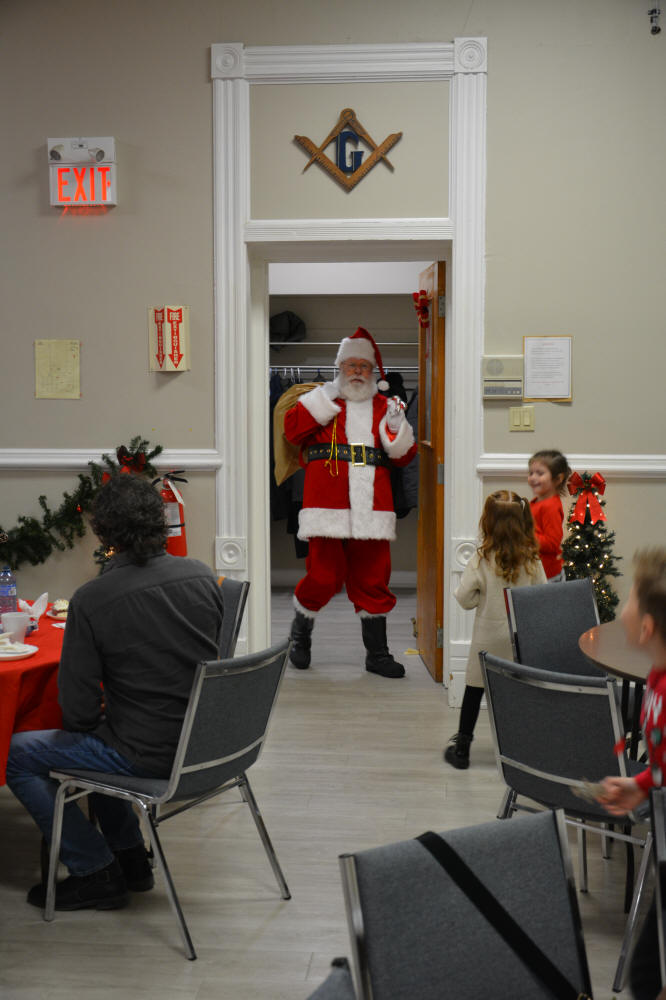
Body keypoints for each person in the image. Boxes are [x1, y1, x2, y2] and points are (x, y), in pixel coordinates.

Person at [6, 475, 224, 911]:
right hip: (208, 745)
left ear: (103, 533)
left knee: (18, 755)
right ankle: (130, 858)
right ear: (159, 521)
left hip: (150, 755)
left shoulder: (93, 598)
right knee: (105, 733)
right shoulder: (202, 575)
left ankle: (93, 869)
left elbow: (78, 711)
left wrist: (101, 715)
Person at [283, 327, 417, 679]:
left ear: (373, 371)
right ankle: (300, 635)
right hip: (326, 503)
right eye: (351, 365)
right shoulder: (320, 401)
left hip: (373, 504)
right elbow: (292, 431)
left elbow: (403, 456)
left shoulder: (385, 406)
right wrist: (324, 398)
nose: (357, 371)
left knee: (373, 577)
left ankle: (378, 654)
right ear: (339, 368)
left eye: (363, 366)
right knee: (324, 575)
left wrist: (396, 425)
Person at [596, 548, 666, 1000]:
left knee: (649, 974)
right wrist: (642, 786)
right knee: (649, 972)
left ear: (646, 628)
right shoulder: (657, 677)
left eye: (629, 599)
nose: (622, 606)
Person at [444, 490, 546, 769]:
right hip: (518, 638)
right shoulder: (532, 560)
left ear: (488, 522)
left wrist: (482, 598)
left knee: (474, 690)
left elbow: (465, 599)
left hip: (487, 639)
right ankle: (517, 752)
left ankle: (462, 750)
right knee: (516, 693)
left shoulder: (481, 559)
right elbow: (541, 597)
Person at [528, 448, 572, 582]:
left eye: (540, 473)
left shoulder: (550, 506)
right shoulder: (535, 503)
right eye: (531, 473)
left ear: (558, 479)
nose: (533, 477)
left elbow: (552, 543)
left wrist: (524, 536)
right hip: (537, 572)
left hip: (548, 575)